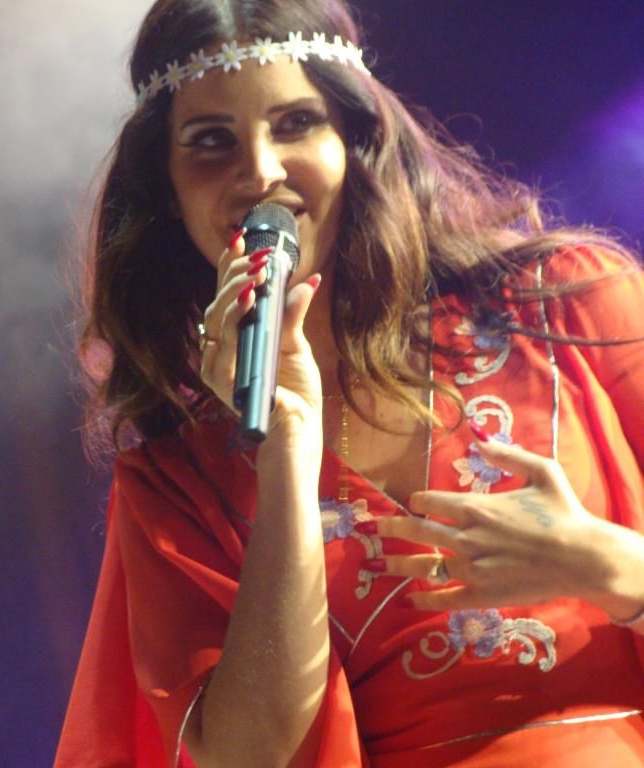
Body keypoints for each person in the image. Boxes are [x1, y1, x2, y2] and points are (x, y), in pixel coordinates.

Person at [56, 0, 644, 765]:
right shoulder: (177, 483)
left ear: (356, 142)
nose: (260, 171)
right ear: (165, 187)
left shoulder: (563, 301)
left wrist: (606, 564)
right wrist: (285, 453)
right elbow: (248, 757)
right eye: (210, 141)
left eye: (296, 124)